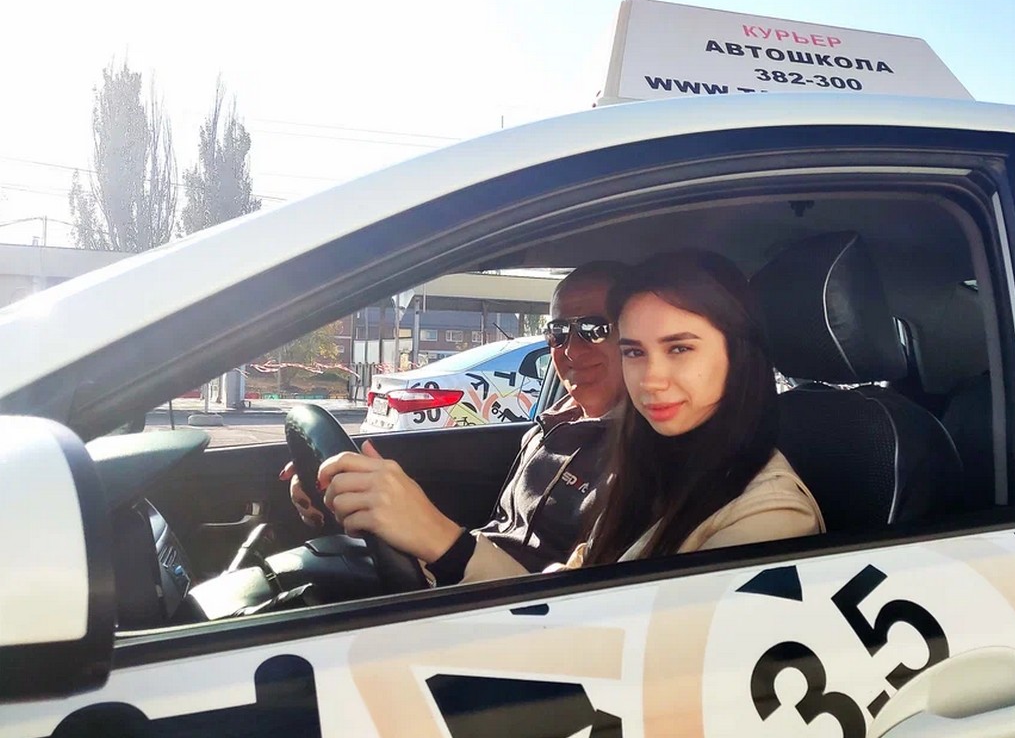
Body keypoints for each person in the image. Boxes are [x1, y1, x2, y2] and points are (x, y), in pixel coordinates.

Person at [310, 250, 823, 583]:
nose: (650, 379)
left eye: (680, 348)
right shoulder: (649, 464)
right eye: (635, 351)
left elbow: (648, 666)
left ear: (739, 353)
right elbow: (566, 588)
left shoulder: (769, 515)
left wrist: (441, 541)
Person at [282, 261, 626, 583]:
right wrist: (349, 487)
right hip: (467, 586)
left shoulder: (639, 466)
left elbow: (570, 608)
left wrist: (443, 543)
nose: (571, 350)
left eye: (593, 329)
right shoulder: (550, 426)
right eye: (558, 332)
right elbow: (500, 535)